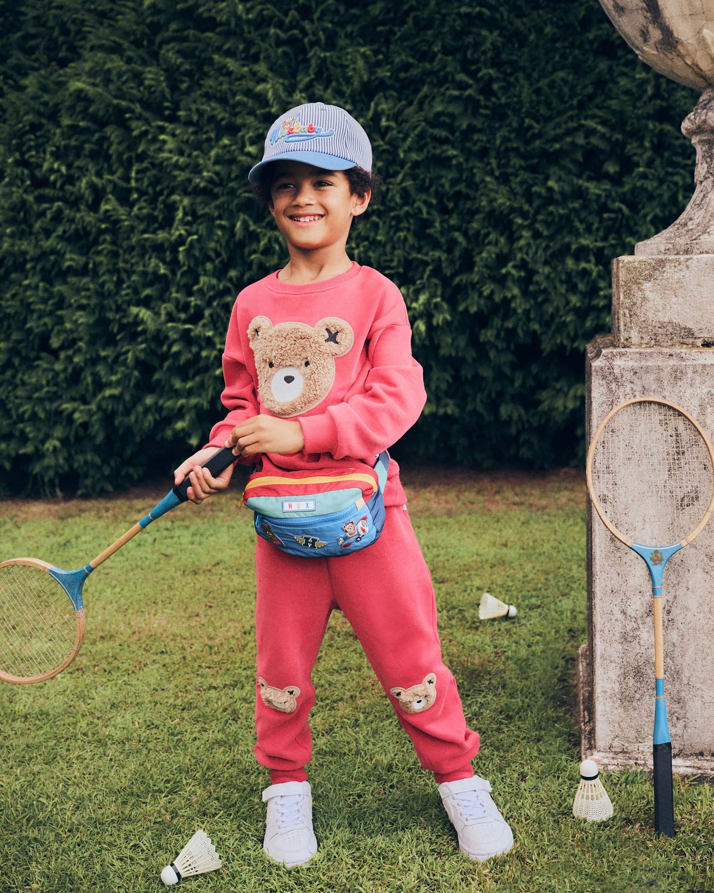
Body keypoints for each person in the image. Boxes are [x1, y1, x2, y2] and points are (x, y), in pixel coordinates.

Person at [174, 102, 513, 867]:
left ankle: (459, 777)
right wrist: (216, 456)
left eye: (322, 181)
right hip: (281, 530)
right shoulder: (251, 306)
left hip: (373, 521)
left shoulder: (375, 296)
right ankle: (286, 790)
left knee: (410, 656)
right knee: (281, 669)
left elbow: (398, 397)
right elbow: (240, 408)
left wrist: (304, 434)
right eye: (286, 183)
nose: (304, 197)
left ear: (358, 194)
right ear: (269, 200)